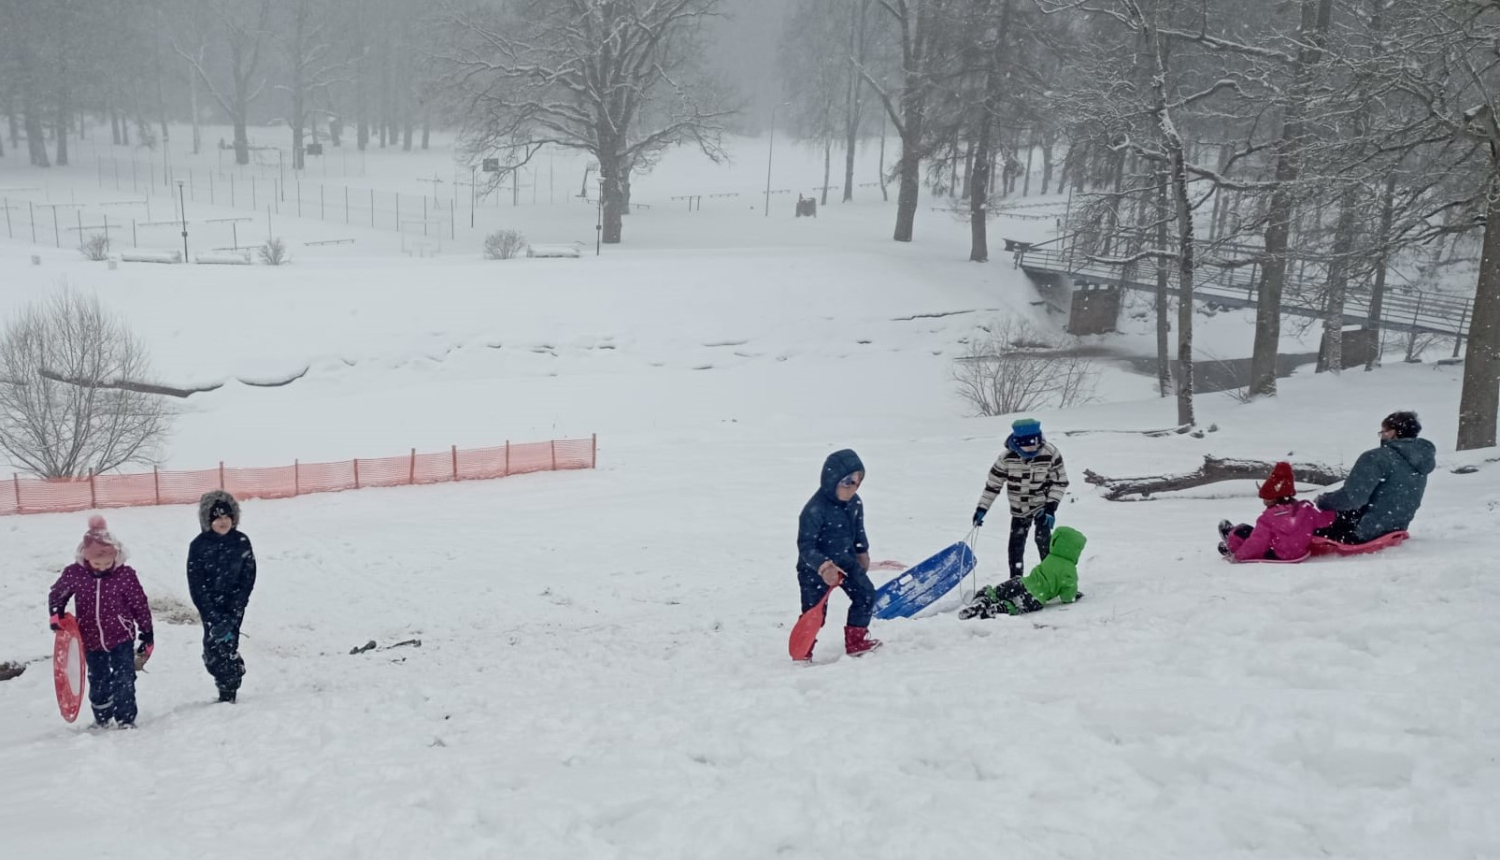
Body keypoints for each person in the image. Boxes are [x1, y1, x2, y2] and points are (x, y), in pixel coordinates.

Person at [47, 516, 154, 729]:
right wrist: (55, 613)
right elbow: (58, 593)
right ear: (86, 557)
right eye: (97, 563)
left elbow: (139, 603)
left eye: (108, 562)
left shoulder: (124, 575)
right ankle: (102, 716)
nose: (103, 567)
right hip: (90, 637)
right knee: (98, 678)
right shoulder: (75, 574)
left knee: (124, 678)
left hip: (120, 636)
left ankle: (125, 718)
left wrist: (146, 631)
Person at [797, 449, 881, 657]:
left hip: (846, 560)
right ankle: (803, 648)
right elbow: (806, 546)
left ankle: (856, 641)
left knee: (865, 594)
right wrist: (824, 566)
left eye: (857, 481)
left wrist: (862, 552)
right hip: (814, 569)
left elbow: (858, 531)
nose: (853, 487)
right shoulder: (814, 510)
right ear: (832, 481)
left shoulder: (855, 503)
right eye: (847, 482)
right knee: (815, 613)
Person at [1314, 411, 1435, 545]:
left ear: (1392, 433)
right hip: (1395, 527)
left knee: (1306, 525)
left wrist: (1323, 501)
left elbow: (1352, 498)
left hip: (1364, 531)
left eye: (1383, 432)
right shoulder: (1420, 458)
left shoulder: (1377, 458)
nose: (1381, 436)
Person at [972, 417, 1070, 579]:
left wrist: (1051, 507)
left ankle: (1050, 578)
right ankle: (1016, 580)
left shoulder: (1050, 454)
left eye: (1034, 443)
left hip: (1042, 507)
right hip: (1019, 508)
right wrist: (982, 509)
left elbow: (1060, 482)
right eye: (1026, 444)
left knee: (1044, 541)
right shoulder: (1006, 458)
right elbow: (993, 486)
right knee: (1016, 546)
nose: (1031, 447)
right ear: (1017, 442)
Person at [188, 491, 257, 703]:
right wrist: (211, 614)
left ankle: (229, 690)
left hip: (233, 606)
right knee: (212, 650)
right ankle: (227, 672)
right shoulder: (199, 545)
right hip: (211, 608)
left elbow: (248, 575)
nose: (223, 522)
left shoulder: (241, 542)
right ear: (209, 520)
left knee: (227, 646)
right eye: (218, 518)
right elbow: (196, 583)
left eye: (227, 517)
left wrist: (237, 606)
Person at [1217, 462, 1336, 562]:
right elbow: (1325, 520)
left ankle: (1230, 543)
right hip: (1299, 552)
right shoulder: (1306, 509)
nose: (1263, 500)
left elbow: (1257, 543)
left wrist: (1237, 556)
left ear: (1271, 499)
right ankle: (1231, 538)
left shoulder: (1268, 518)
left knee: (1241, 530)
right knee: (1253, 532)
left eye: (1264, 498)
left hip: (1277, 554)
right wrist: (1333, 509)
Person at [960, 526, 1087, 619]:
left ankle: (982, 601)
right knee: (1013, 605)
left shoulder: (1050, 558)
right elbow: (1067, 596)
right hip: (1034, 597)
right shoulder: (1069, 571)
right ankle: (996, 609)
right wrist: (1073, 595)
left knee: (997, 592)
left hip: (1019, 583)